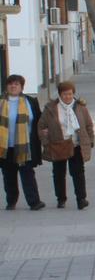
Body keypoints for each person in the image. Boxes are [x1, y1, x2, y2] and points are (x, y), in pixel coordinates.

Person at [38, 79, 94, 210]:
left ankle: (81, 199)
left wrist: (90, 141)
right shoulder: (51, 108)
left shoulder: (80, 107)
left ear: (73, 93)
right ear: (60, 95)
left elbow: (88, 125)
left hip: (76, 144)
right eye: (64, 94)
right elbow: (41, 126)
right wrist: (45, 141)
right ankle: (61, 199)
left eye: (70, 94)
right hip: (59, 144)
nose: (67, 97)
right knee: (58, 173)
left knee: (78, 172)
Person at [1, 74, 45, 210]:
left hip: (25, 146)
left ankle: (34, 202)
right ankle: (11, 201)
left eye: (16, 84)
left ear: (21, 87)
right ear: (7, 86)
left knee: (27, 174)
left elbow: (39, 120)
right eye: (10, 84)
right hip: (6, 147)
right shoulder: (2, 102)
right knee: (9, 176)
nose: (13, 86)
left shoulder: (30, 101)